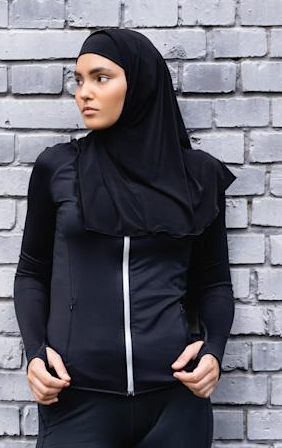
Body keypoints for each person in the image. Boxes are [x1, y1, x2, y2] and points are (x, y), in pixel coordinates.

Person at [13, 28, 237, 448]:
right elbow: (32, 272)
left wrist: (214, 350)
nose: (84, 93)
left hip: (176, 403)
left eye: (101, 78)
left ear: (140, 84)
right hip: (76, 401)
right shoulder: (58, 168)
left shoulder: (197, 177)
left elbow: (215, 284)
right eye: (78, 80)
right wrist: (35, 353)